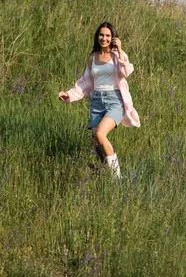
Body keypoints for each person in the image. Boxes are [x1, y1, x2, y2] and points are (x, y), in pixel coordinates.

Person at [58, 22, 140, 178]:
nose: (104, 38)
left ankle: (118, 180)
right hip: (96, 102)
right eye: (101, 35)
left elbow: (126, 71)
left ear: (113, 38)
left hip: (115, 101)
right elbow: (85, 82)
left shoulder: (117, 56)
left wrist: (121, 50)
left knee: (101, 134)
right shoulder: (92, 57)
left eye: (108, 36)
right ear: (97, 37)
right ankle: (104, 173)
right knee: (96, 140)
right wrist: (69, 94)